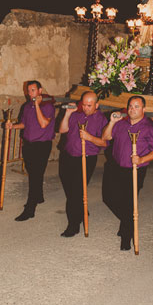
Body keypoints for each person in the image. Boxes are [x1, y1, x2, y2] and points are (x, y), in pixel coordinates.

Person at [101, 96, 153, 251]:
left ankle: (126, 236)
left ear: (144, 109)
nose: (132, 109)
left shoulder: (149, 127)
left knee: (128, 203)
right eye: (130, 106)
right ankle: (128, 222)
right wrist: (111, 122)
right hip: (115, 166)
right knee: (108, 197)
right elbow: (106, 137)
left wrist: (142, 159)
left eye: (136, 106)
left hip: (135, 170)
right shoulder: (121, 122)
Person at [57, 91, 108, 237]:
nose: (85, 108)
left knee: (75, 191)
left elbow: (104, 142)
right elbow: (62, 130)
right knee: (68, 184)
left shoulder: (101, 119)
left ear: (96, 105)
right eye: (84, 104)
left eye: (89, 105)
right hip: (68, 155)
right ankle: (81, 207)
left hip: (86, 157)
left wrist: (90, 137)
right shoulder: (76, 114)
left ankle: (73, 225)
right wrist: (67, 114)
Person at [6, 80, 56, 221]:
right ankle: (39, 196)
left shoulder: (48, 106)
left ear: (40, 91)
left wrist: (37, 105)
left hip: (42, 145)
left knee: (35, 175)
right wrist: (12, 127)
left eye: (33, 90)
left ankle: (30, 208)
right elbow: (24, 124)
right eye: (28, 91)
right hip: (28, 144)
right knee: (33, 173)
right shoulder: (26, 106)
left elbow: (43, 123)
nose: (30, 93)